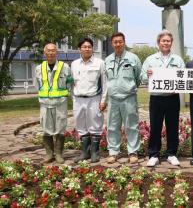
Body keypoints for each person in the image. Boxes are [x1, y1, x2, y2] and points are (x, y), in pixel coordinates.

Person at [141, 30, 185, 167]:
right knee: (155, 127)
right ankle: (153, 154)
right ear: (158, 43)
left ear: (171, 43)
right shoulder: (150, 59)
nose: (166, 43)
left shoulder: (178, 60)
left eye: (168, 41)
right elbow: (142, 78)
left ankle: (171, 154)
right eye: (163, 41)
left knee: (173, 127)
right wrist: (147, 75)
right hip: (156, 98)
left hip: (172, 98)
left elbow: (183, 77)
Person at [105, 32, 142, 164]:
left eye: (120, 41)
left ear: (124, 42)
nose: (118, 44)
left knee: (131, 126)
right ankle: (113, 152)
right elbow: (106, 80)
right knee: (112, 126)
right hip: (113, 99)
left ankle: (133, 151)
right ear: (112, 43)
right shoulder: (108, 60)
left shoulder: (133, 58)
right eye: (115, 42)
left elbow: (138, 77)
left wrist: (129, 88)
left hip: (129, 98)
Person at [71, 37, 107, 163]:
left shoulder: (99, 63)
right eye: (84, 47)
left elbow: (104, 83)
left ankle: (95, 153)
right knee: (81, 126)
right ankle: (85, 153)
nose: (87, 49)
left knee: (96, 125)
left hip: (94, 99)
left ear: (92, 49)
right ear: (79, 49)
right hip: (78, 99)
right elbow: (72, 83)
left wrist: (103, 100)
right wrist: (73, 98)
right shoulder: (74, 64)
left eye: (89, 47)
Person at [35, 43, 72, 164]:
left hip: (60, 102)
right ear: (45, 53)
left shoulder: (65, 67)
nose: (51, 53)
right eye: (48, 51)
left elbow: (69, 83)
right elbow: (37, 86)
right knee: (46, 128)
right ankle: (49, 154)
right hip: (45, 104)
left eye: (53, 51)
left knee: (60, 129)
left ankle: (59, 154)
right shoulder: (38, 68)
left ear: (57, 52)